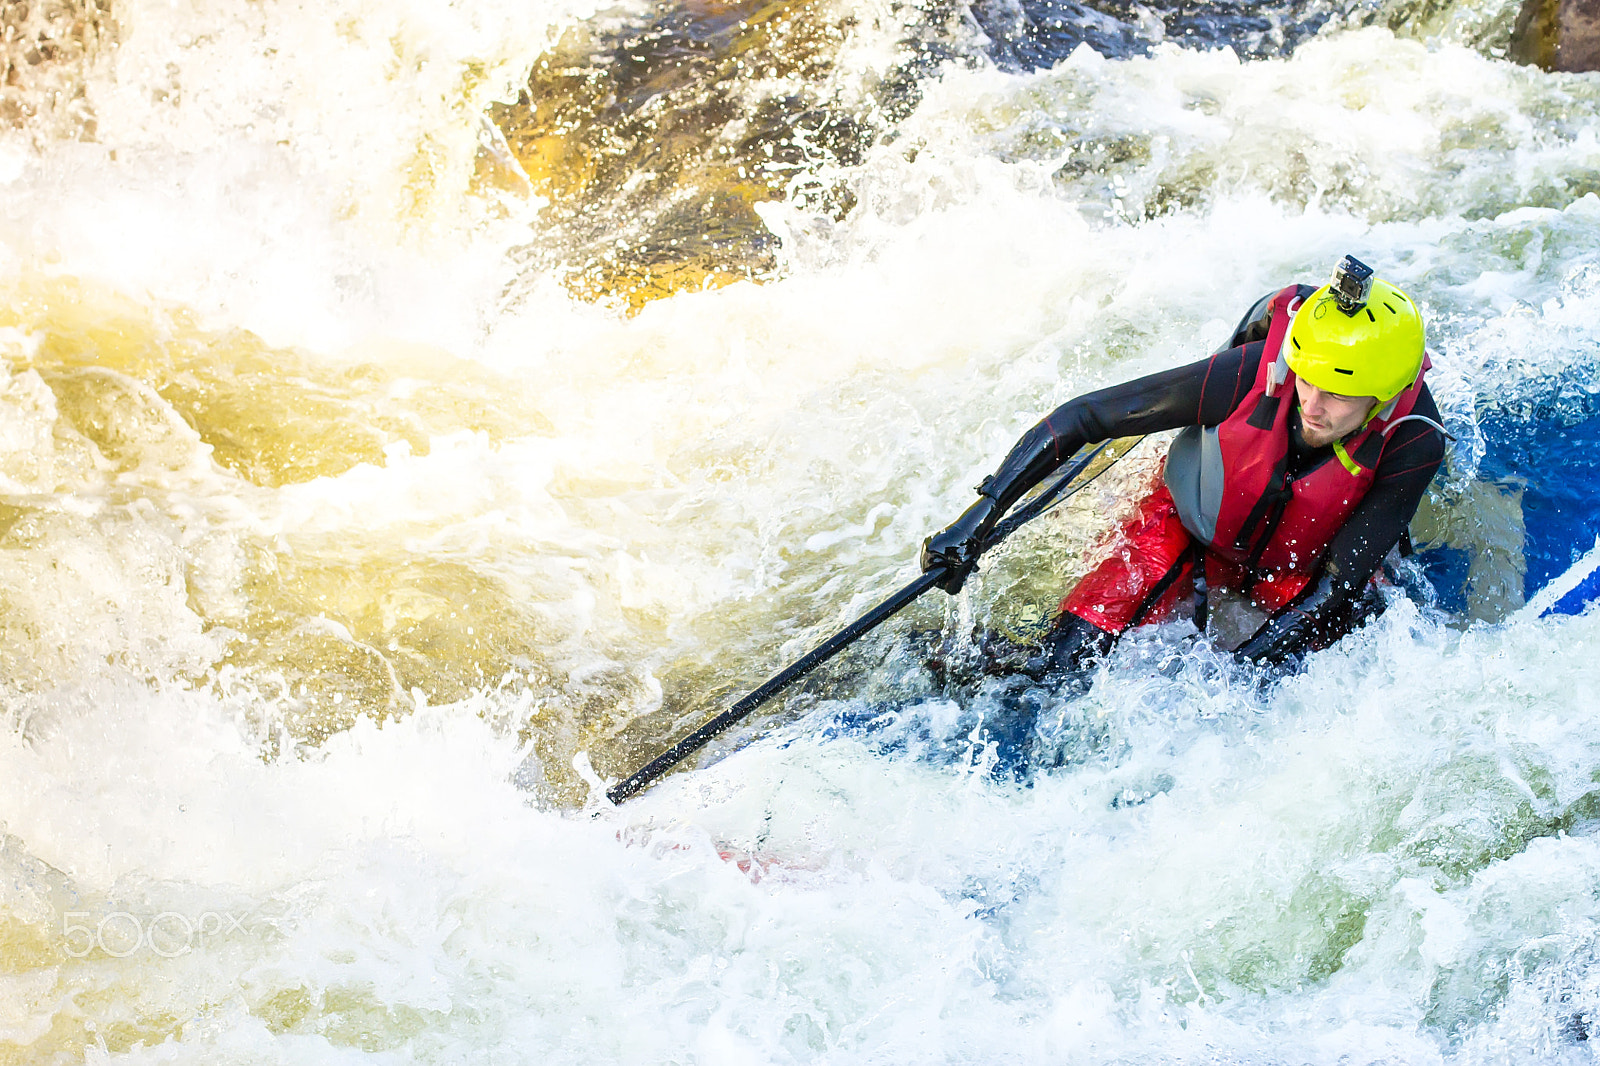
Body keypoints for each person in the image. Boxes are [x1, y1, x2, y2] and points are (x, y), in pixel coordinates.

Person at [920, 255, 1449, 678]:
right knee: (1060, 667)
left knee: (1306, 672)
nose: (1311, 404)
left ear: (1382, 396)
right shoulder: (1248, 374)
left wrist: (1240, 675)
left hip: (1302, 574)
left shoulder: (1413, 440)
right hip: (1191, 526)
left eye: (1337, 395)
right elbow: (1084, 417)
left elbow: (1337, 585)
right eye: (1308, 379)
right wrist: (977, 519)